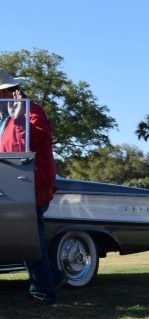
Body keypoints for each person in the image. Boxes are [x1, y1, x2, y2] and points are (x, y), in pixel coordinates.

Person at [0, 69, 65, 304]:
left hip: (32, 187)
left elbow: (32, 145)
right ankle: (55, 276)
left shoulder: (32, 113)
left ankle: (43, 291)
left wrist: (18, 119)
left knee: (29, 241)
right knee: (28, 239)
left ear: (9, 92)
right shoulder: (6, 119)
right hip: (16, 187)